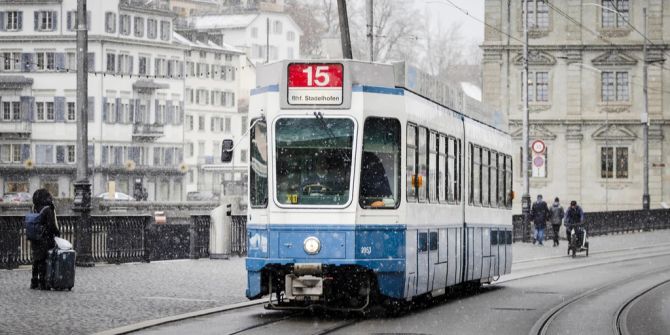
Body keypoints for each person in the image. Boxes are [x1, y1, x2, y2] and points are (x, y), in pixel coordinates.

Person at [30, 189, 61, 290]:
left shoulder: (34, 207)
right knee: (44, 260)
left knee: (36, 259)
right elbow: (51, 225)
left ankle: (34, 282)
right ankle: (43, 283)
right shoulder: (48, 209)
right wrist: (57, 232)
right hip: (45, 238)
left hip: (35, 237)